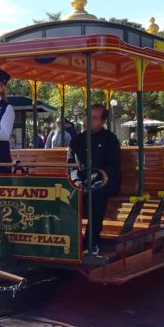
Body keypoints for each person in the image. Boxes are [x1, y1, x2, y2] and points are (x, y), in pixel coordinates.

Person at [67, 104, 122, 253]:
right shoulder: (76, 141)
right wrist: (77, 182)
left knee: (95, 195)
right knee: (66, 194)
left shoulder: (110, 139)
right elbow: (71, 167)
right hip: (82, 182)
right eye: (88, 117)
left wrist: (95, 179)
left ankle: (92, 241)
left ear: (103, 121)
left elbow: (113, 166)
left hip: (106, 181)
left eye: (95, 118)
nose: (90, 121)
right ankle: (67, 239)